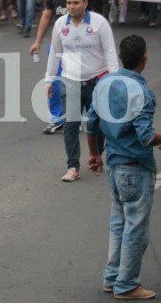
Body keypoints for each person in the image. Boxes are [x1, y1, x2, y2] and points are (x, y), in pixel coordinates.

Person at [86, 34, 160, 300]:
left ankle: (112, 277)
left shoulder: (104, 83)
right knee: (135, 227)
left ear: (121, 57)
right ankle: (127, 285)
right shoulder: (142, 92)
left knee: (119, 222)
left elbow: (91, 124)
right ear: (144, 59)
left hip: (114, 167)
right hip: (134, 168)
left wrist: (95, 154)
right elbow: (145, 137)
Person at [45, 0, 118, 182]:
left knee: (99, 123)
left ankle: (97, 152)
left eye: (76, 3)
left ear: (85, 3)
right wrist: (49, 79)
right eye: (69, 3)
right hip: (70, 80)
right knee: (70, 124)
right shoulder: (61, 24)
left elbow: (110, 52)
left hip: (97, 80)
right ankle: (73, 166)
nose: (71, 6)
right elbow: (55, 54)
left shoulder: (99, 23)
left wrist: (115, 79)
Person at [30, 0, 107, 135]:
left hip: (83, 48)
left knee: (81, 84)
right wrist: (37, 41)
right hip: (60, 47)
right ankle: (58, 120)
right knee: (55, 84)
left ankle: (84, 118)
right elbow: (46, 17)